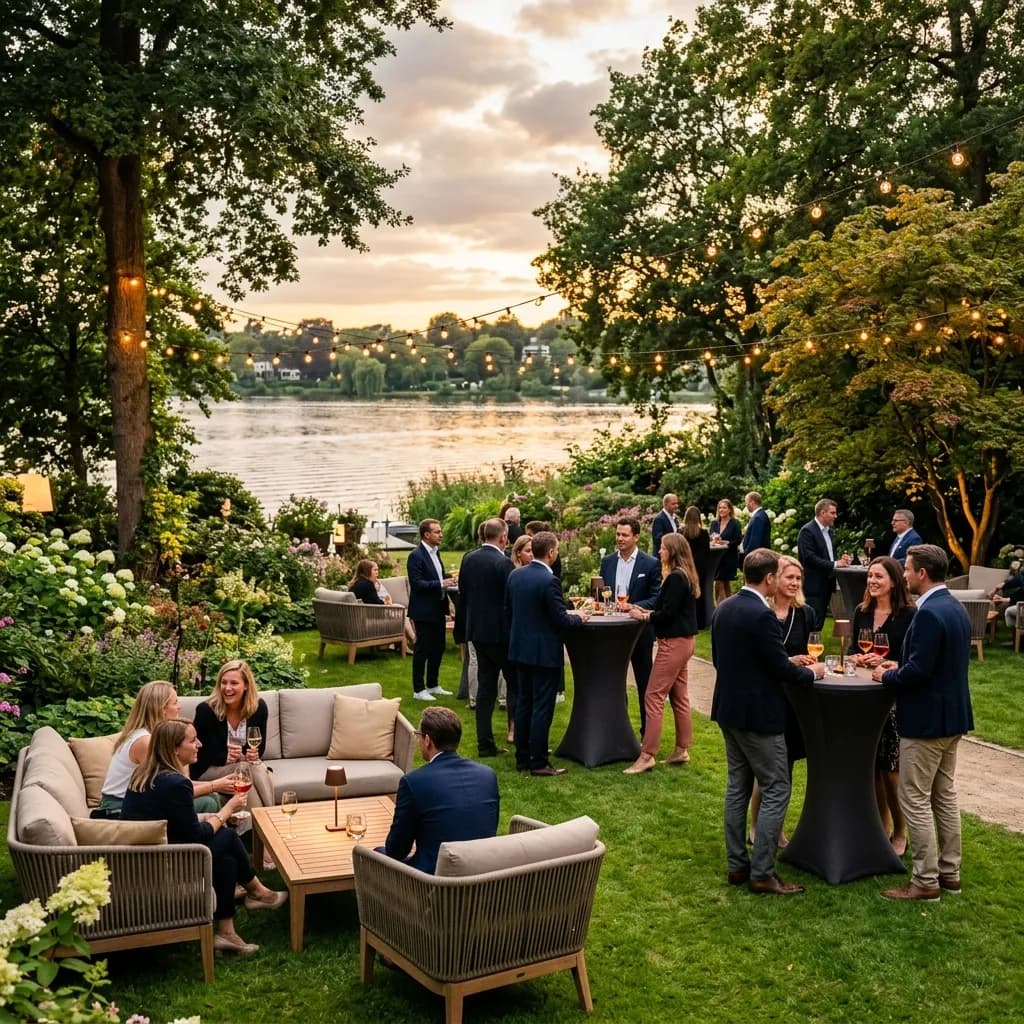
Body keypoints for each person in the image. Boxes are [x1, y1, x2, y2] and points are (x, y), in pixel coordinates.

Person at [711, 548, 823, 895]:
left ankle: (737, 866)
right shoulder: (762, 616)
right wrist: (813, 672)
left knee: (737, 787)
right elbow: (779, 668)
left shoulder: (725, 607)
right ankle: (762, 873)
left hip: (728, 710)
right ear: (770, 578)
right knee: (777, 787)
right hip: (759, 715)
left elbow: (722, 659)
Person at [122, 719, 287, 956]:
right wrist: (226, 811)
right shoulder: (176, 783)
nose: (199, 744)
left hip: (145, 854)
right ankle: (258, 892)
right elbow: (197, 837)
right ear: (174, 749)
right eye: (192, 740)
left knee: (226, 858)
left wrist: (210, 815)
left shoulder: (145, 773)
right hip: (161, 864)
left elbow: (173, 822)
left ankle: (226, 933)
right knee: (228, 838)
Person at [873, 544, 974, 901]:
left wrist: (886, 677)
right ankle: (950, 873)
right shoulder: (954, 607)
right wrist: (897, 667)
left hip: (927, 720)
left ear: (922, 574)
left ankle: (925, 880)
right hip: (953, 717)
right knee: (943, 795)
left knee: (914, 798)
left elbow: (919, 670)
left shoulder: (929, 613)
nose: (904, 574)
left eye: (907, 568)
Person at [847, 555, 916, 857]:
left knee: (891, 771)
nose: (873, 581)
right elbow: (852, 650)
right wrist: (856, 658)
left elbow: (914, 660)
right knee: (872, 769)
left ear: (894, 581)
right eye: (870, 576)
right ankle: (881, 828)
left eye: (879, 577)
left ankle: (902, 831)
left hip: (894, 698)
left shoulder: (909, 615)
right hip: (864, 697)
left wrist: (890, 662)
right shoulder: (862, 612)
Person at [747, 554, 817, 847]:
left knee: (786, 766)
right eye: (789, 576)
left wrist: (808, 664)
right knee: (767, 771)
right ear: (774, 578)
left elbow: (814, 652)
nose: (794, 582)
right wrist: (788, 661)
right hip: (767, 697)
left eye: (798, 578)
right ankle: (756, 825)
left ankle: (776, 828)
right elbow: (760, 660)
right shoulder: (760, 612)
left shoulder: (806, 614)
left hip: (796, 699)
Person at [505, 531, 587, 776]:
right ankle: (539, 761)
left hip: (520, 649)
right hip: (543, 653)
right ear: (551, 552)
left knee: (524, 703)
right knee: (542, 706)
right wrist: (580, 617)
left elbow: (508, 612)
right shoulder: (548, 580)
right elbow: (560, 619)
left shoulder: (515, 575)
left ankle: (522, 757)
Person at [382, 707, 499, 874]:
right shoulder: (488, 775)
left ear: (428, 740)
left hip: (432, 883)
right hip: (483, 875)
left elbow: (396, 850)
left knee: (375, 855)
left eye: (419, 736)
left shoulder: (414, 782)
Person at [623, 533, 699, 774]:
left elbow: (667, 614)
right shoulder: (685, 575)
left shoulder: (676, 577)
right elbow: (666, 608)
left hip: (673, 643)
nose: (659, 552)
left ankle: (647, 755)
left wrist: (644, 616)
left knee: (653, 696)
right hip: (685, 642)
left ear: (673, 552)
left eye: (663, 549)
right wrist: (639, 607)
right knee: (679, 696)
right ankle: (681, 749)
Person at [100, 680, 232, 813]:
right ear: (162, 709)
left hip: (141, 800)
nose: (179, 707)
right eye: (175, 702)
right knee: (207, 802)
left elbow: (180, 783)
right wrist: (214, 785)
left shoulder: (153, 735)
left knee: (211, 797)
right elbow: (171, 791)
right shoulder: (145, 741)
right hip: (119, 807)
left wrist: (218, 784)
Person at [456, 518, 514, 757]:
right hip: (500, 634)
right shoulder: (503, 563)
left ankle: (485, 743)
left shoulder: (468, 558)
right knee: (517, 684)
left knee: (486, 686)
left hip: (477, 632)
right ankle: (518, 734)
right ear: (503, 537)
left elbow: (463, 593)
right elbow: (510, 601)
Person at [600, 516, 661, 735]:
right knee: (615, 682)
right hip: (612, 631)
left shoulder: (650, 563)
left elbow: (656, 597)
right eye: (618, 534)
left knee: (645, 682)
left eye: (625, 535)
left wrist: (633, 606)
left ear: (636, 537)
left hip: (640, 632)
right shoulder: (607, 562)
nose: (620, 539)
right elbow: (602, 592)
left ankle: (647, 732)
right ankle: (618, 728)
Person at [190, 659, 274, 811]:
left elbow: (259, 748)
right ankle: (271, 814)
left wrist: (252, 755)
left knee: (249, 769)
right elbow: (196, 754)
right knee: (247, 769)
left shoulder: (258, 708)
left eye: (234, 683)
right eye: (224, 682)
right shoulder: (206, 711)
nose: (227, 688)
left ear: (246, 685)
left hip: (244, 765)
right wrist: (223, 757)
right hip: (208, 770)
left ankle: (254, 828)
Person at [407, 518, 456, 701]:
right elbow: (417, 583)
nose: (441, 534)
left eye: (440, 531)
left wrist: (449, 579)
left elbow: (437, 575)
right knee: (423, 648)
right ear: (426, 535)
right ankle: (418, 689)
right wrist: (440, 583)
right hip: (423, 610)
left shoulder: (436, 552)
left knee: (438, 647)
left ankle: (433, 684)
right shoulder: (416, 555)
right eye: (437, 532)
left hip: (437, 607)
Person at [797, 498, 851, 629]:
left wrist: (840, 560)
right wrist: (835, 564)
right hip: (813, 586)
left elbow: (827, 556)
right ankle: (807, 649)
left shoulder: (829, 531)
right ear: (822, 513)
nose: (835, 516)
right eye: (832, 513)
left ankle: (815, 648)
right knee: (811, 624)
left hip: (826, 584)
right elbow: (809, 558)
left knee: (819, 623)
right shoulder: (807, 531)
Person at [681, 505, 711, 628]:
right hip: (700, 567)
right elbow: (707, 551)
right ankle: (700, 622)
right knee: (700, 594)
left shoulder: (682, 532)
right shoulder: (704, 533)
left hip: (686, 565)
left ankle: (688, 620)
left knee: (687, 594)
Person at [709, 499, 742, 606]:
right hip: (716, 557)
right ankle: (729, 606)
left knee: (721, 581)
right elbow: (711, 537)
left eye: (724, 508)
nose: (721, 510)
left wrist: (726, 542)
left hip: (729, 557)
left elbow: (738, 540)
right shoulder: (714, 523)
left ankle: (720, 606)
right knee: (722, 582)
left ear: (729, 510)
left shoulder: (735, 523)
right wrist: (714, 541)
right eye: (720, 507)